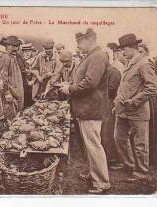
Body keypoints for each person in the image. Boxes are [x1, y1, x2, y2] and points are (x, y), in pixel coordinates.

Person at [60, 28, 110, 194]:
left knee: (94, 145)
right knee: (90, 145)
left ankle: (101, 183)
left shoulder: (98, 56)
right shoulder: (92, 55)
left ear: (90, 40)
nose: (78, 46)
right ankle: (93, 173)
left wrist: (70, 89)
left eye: (79, 42)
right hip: (86, 108)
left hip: (91, 109)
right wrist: (69, 84)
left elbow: (90, 83)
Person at [113, 34, 157, 182]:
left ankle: (141, 172)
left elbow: (152, 88)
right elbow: (124, 86)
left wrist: (134, 101)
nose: (122, 52)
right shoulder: (130, 62)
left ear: (133, 48)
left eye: (124, 49)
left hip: (137, 110)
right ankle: (128, 164)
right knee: (119, 138)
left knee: (140, 143)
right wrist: (117, 103)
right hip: (122, 109)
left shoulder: (144, 63)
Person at [101, 47, 122, 168]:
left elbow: (111, 90)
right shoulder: (104, 71)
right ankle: (106, 158)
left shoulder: (114, 72)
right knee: (103, 132)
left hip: (109, 103)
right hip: (102, 103)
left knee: (107, 132)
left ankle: (112, 159)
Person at [0, 36, 25, 120]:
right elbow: (1, 77)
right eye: (13, 46)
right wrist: (6, 92)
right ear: (7, 46)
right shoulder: (5, 57)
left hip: (17, 93)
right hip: (10, 94)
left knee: (17, 116)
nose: (15, 48)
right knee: (10, 117)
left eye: (17, 46)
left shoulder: (15, 57)